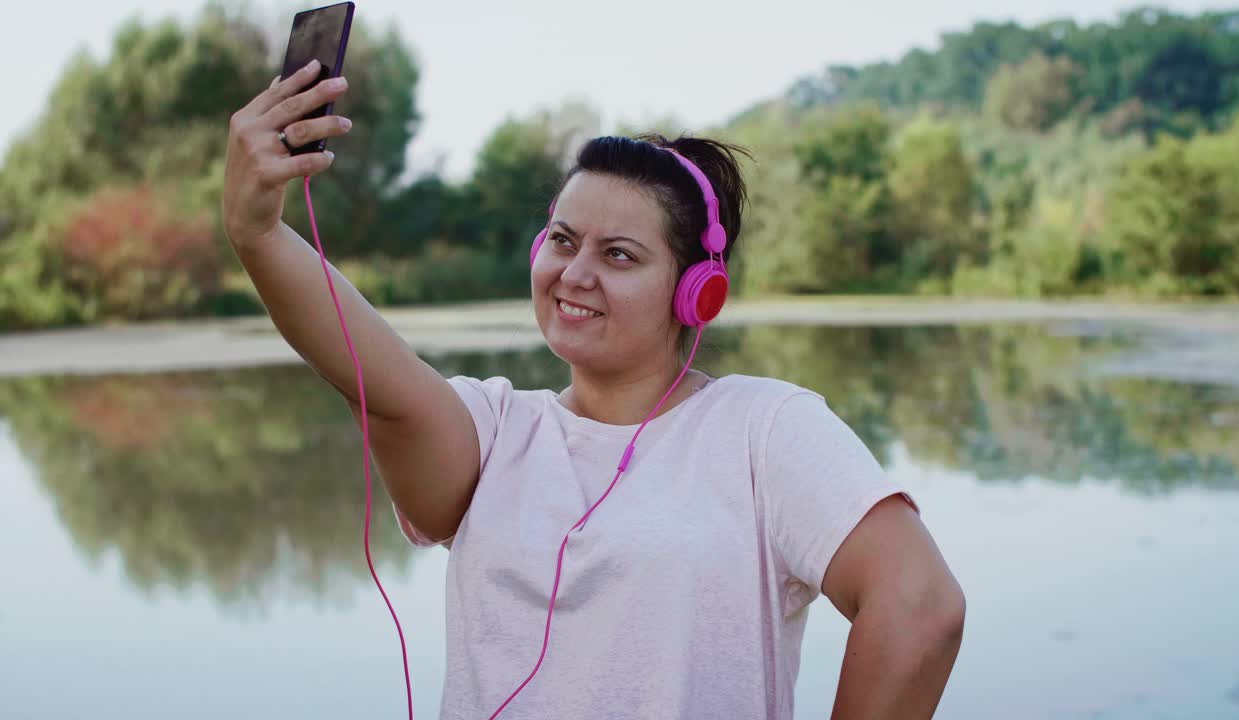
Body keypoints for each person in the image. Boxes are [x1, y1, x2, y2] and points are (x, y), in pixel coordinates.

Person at [221, 61, 965, 720]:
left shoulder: (765, 430)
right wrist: (255, 229)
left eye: (619, 254)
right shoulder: (496, 428)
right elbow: (382, 382)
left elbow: (920, 607)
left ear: (696, 294)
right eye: (564, 240)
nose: (576, 274)